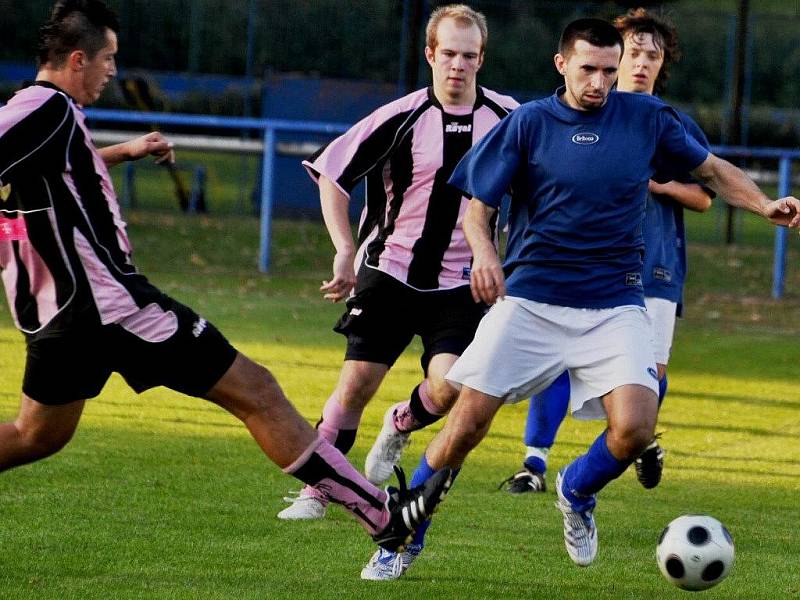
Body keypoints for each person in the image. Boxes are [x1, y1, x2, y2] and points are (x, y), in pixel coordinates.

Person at [0, 0, 452, 556]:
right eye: (109, 59)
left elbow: (62, 166)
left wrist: (127, 151)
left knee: (35, 435)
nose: (113, 71)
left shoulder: (50, 115)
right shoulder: (45, 106)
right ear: (77, 59)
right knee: (257, 391)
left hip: (62, 313)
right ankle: (382, 513)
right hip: (108, 305)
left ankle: (377, 512)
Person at [365, 17, 799, 573]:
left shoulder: (646, 118)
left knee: (636, 426)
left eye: (608, 72)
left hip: (614, 303)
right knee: (466, 423)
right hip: (531, 300)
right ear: (561, 64)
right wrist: (486, 254)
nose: (599, 82)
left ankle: (576, 490)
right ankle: (402, 538)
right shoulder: (527, 123)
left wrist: (764, 205)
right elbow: (478, 207)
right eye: (588, 69)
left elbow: (711, 171)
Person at [277, 3, 516, 530]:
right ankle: (319, 489)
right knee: (356, 383)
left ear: (481, 59)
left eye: (469, 56)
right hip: (390, 270)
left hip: (461, 282)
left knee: (451, 384)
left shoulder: (507, 119)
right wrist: (344, 248)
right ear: (430, 54)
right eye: (449, 53)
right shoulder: (400, 117)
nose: (458, 65)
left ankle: (401, 421)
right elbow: (331, 176)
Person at [500, 8, 714, 496]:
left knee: (649, 374)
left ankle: (629, 443)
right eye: (633, 54)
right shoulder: (569, 115)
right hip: (571, 266)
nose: (640, 64)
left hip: (652, 267)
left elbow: (705, 193)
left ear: (662, 65)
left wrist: (658, 184)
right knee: (556, 361)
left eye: (651, 57)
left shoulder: (668, 123)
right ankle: (534, 462)